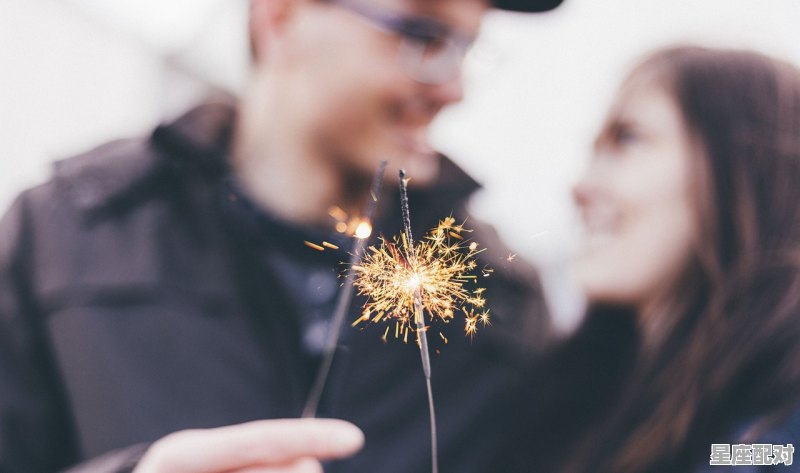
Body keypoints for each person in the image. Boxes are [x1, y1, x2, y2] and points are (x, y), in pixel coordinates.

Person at [0, 0, 563, 472]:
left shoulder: (501, 306)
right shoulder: (64, 235)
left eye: (467, 48)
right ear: (282, 18)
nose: (454, 89)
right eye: (424, 36)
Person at [506, 45, 800, 472]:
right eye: (595, 150)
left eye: (629, 139)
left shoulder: (771, 438)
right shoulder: (575, 396)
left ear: (748, 168)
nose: (581, 187)